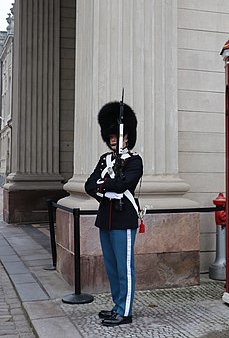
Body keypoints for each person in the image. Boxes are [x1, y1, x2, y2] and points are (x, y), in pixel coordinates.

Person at [85, 101, 143, 327]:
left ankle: (125, 311)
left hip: (124, 219)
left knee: (124, 268)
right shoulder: (105, 160)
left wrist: (104, 184)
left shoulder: (134, 160)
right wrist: (105, 185)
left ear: (126, 138)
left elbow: (122, 185)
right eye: (110, 136)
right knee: (111, 266)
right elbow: (90, 185)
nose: (112, 140)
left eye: (116, 136)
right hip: (106, 218)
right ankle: (117, 305)